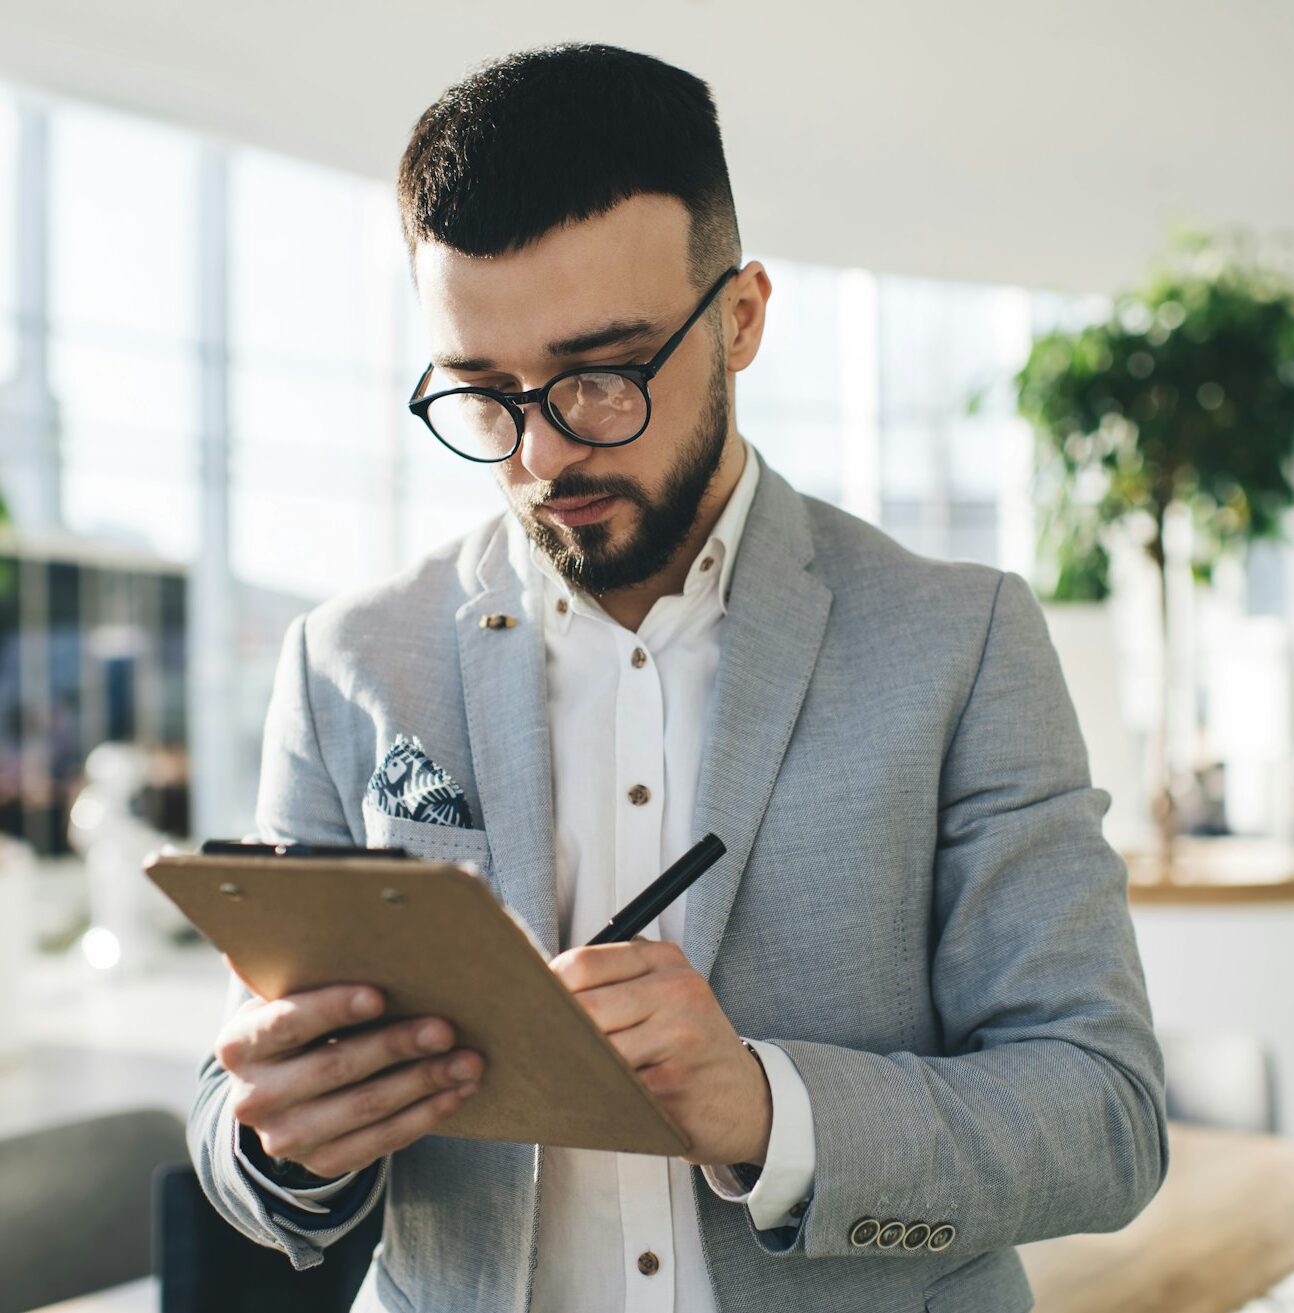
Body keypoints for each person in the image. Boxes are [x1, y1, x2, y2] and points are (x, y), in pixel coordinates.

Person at [187, 42, 1168, 1313]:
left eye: (603, 374)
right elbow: (237, 1126)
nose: (542, 450)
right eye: (485, 394)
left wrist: (766, 1107)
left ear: (743, 318)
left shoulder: (957, 641)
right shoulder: (346, 660)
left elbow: (1104, 1116)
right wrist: (278, 1136)